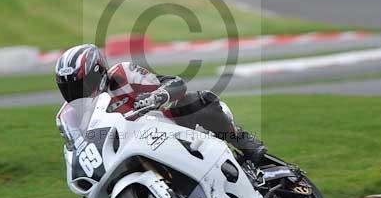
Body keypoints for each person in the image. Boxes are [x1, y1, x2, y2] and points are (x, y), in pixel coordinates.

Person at [54, 43, 267, 163]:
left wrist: (156, 97)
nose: (76, 93)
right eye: (69, 87)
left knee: (197, 101)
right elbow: (76, 148)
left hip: (166, 129)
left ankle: (240, 139)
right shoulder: (71, 115)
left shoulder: (122, 74)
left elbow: (175, 83)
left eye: (81, 84)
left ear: (98, 72)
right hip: (128, 149)